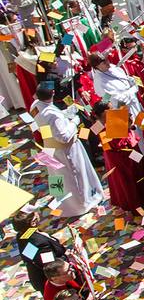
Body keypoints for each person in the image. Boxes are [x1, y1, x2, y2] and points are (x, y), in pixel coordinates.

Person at [28, 79, 103, 216]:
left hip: (49, 147)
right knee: (75, 177)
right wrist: (75, 120)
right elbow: (63, 136)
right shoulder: (52, 114)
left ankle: (61, 202)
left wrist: (67, 112)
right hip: (65, 150)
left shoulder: (35, 105)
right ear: (53, 93)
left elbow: (49, 124)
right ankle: (81, 205)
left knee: (56, 177)